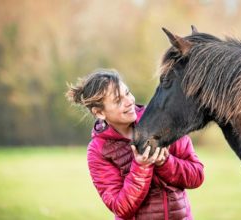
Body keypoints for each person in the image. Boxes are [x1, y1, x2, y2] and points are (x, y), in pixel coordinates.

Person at [66, 69, 204, 220]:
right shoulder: (98, 150)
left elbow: (197, 176)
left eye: (128, 92)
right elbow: (121, 208)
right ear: (99, 113)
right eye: (118, 100)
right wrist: (141, 167)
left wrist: (164, 162)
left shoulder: (162, 121)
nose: (129, 101)